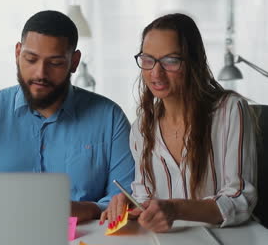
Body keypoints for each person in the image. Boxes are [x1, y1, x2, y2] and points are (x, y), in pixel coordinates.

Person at [0, 10, 135, 222]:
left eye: (55, 63)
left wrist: (82, 209)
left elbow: (125, 201)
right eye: (31, 59)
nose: (40, 74)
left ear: (74, 61)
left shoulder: (110, 119)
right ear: (18, 53)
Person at [100, 13, 257, 232]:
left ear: (194, 62)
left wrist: (176, 208)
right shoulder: (142, 128)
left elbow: (240, 200)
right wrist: (132, 206)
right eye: (148, 60)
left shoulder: (230, 110)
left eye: (170, 61)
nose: (156, 73)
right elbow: (144, 197)